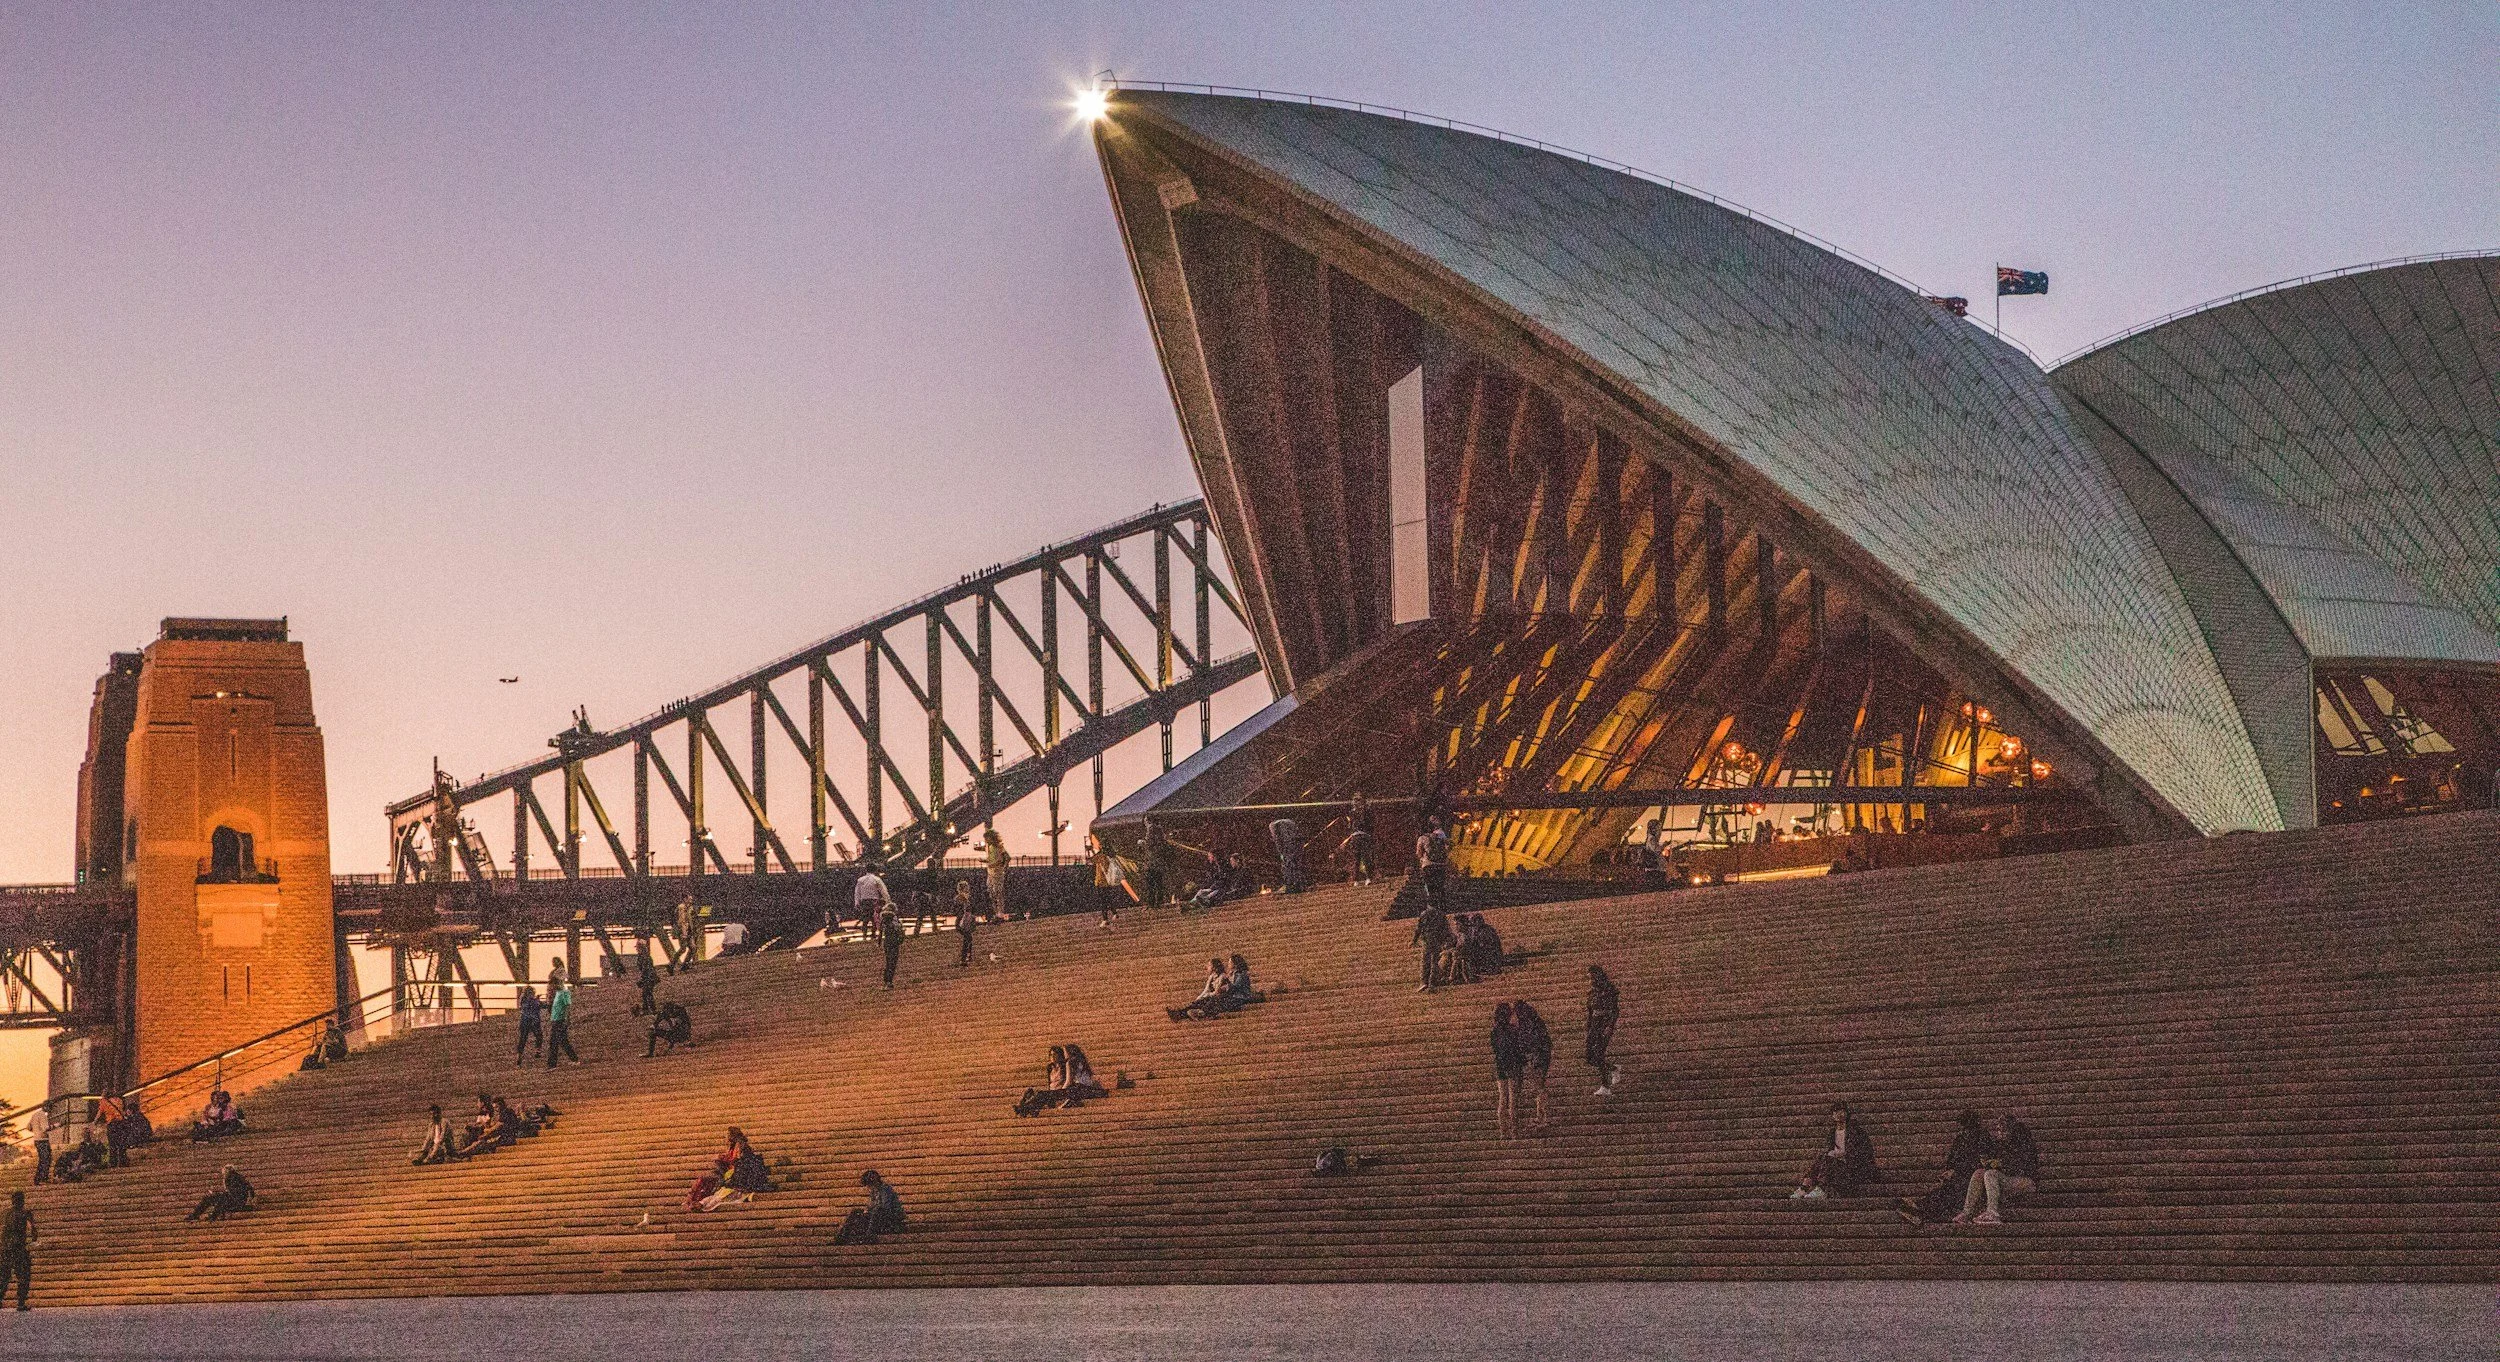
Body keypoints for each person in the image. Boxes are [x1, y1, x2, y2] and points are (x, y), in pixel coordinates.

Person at [1899, 1112, 1992, 1224]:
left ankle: (1919, 1210)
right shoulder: (1961, 1138)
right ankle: (1919, 1210)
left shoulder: (1981, 1137)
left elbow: (1979, 1161)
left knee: (1950, 1191)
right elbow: (1953, 1158)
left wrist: (1955, 1171)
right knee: (1947, 1190)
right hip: (1960, 1177)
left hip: (1972, 1178)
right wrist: (1949, 1171)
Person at [1957, 1114, 2041, 1224]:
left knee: (1991, 1174)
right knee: (1979, 1173)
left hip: (2025, 1181)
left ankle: (1992, 1213)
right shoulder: (2000, 1144)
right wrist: (1989, 1162)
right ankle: (1967, 1212)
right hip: (2004, 1179)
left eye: (2003, 1130)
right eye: (1998, 1130)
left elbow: (2024, 1166)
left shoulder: (2023, 1143)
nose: (1999, 1133)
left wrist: (2001, 1164)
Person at [1793, 1103, 1881, 1199]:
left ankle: (1821, 1189)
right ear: (1832, 1115)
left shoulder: (1857, 1132)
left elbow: (1865, 1153)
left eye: (1841, 1111)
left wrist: (1843, 1154)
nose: (1838, 1114)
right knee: (1823, 1158)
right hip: (1836, 1167)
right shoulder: (1832, 1133)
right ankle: (1804, 1188)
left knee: (1828, 1160)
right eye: (1835, 1112)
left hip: (1853, 1169)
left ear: (1846, 1114)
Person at [1513, 1000, 1553, 1135]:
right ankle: (1541, 1116)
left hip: (1536, 1058)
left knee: (1539, 1088)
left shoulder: (1525, 1025)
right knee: (1539, 1087)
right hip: (1542, 1056)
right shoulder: (1536, 1022)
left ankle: (1544, 1117)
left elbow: (1527, 1043)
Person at [1585, 965, 1622, 1096]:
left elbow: (1615, 1010)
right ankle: (1613, 1068)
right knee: (1589, 1057)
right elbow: (1590, 1012)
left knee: (1599, 1053)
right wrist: (1588, 1028)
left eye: (1592, 978)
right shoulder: (1592, 993)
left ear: (1599, 976)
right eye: (1589, 978)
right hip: (1594, 1025)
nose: (1591, 981)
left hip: (1604, 1023)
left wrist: (1609, 1026)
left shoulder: (1609, 990)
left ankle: (1605, 1086)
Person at [1490, 1003, 1525, 1140]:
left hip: (1500, 1066)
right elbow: (1518, 1049)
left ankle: (1503, 1131)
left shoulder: (1494, 1032)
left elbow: (1495, 1049)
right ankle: (1514, 1131)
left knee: (1502, 1099)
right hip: (1513, 1066)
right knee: (1513, 1100)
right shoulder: (1513, 1030)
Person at [1167, 958, 1230, 1022]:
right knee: (1196, 1003)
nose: (1207, 967)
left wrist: (1207, 995)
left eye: (1209, 965)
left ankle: (1181, 1014)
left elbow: (1217, 992)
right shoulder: (1211, 976)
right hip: (1210, 997)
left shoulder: (1222, 976)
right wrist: (1199, 997)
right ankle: (1178, 1014)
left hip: (1219, 999)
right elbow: (1206, 990)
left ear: (1214, 967)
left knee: (1201, 1002)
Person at [186, 1165, 256, 1222]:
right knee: (213, 1198)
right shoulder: (237, 1177)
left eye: (224, 1172)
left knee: (212, 1198)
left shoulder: (232, 1177)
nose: (223, 1174)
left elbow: (233, 1192)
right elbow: (248, 1189)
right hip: (237, 1201)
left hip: (236, 1202)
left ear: (227, 1171)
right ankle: (207, 1216)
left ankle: (198, 1215)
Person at [1413, 900, 1455, 992]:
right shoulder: (1441, 914)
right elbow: (1446, 929)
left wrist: (1414, 940)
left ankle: (1424, 982)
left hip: (1427, 940)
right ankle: (1432, 982)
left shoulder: (1424, 914)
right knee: (1435, 962)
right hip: (1437, 941)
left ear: (1428, 904)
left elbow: (1418, 928)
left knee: (1425, 961)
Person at [1, 1191, 32, 1311]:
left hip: (6, 1249)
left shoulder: (5, 1213)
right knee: (23, 1275)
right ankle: (21, 1302)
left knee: (4, 1276)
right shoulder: (25, 1213)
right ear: (22, 1201)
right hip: (19, 1248)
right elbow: (33, 1231)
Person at [1415, 817, 1451, 913]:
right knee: (1440, 886)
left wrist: (1422, 859)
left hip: (1428, 866)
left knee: (1431, 887)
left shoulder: (1422, 838)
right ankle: (1443, 907)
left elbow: (1419, 853)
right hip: (1441, 865)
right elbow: (1447, 848)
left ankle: (1433, 908)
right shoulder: (1440, 837)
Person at [546, 979, 581, 1067]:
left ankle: (552, 1064)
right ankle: (574, 1059)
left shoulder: (564, 993)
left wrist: (567, 1019)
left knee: (556, 1041)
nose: (550, 989)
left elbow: (567, 1006)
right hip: (556, 1020)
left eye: (551, 987)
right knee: (561, 1041)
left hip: (561, 1020)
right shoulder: (555, 996)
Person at [1269, 815, 1307, 894]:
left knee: (1289, 866)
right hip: (1294, 848)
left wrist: (1282, 852)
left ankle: (1291, 886)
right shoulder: (1290, 825)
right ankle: (1297, 885)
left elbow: (1279, 841)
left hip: (1289, 849)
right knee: (1294, 866)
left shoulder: (1277, 826)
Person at [1345, 794, 1376, 883]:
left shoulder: (1365, 811)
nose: (1356, 802)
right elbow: (1351, 825)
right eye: (1355, 800)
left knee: (1365, 857)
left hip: (1363, 835)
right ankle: (1357, 879)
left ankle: (1367, 877)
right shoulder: (1353, 812)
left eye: (1358, 800)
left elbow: (1367, 822)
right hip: (1356, 836)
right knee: (1357, 858)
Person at [853, 865, 890, 935]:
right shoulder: (877, 879)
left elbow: (857, 892)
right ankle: (873, 933)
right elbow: (883, 891)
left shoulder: (860, 880)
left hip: (864, 901)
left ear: (866, 870)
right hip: (874, 901)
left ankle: (864, 934)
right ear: (875, 870)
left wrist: (856, 902)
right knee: (874, 918)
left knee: (865, 919)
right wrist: (888, 901)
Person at [984, 826, 1012, 920]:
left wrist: (1003, 867)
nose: (986, 840)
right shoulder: (990, 847)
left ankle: (1000, 913)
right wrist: (984, 861)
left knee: (998, 893)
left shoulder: (999, 847)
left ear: (991, 838)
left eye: (987, 838)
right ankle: (996, 912)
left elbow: (1006, 858)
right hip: (990, 872)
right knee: (991, 892)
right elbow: (991, 859)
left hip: (997, 873)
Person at [515, 984, 544, 1065]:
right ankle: (538, 1051)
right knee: (539, 1036)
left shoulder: (523, 1001)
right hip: (534, 1021)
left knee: (523, 1039)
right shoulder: (533, 1001)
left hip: (524, 1021)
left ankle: (519, 1054)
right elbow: (540, 1005)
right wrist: (537, 999)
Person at [879, 905, 904, 989]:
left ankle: (887, 981)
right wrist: (900, 940)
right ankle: (889, 981)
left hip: (887, 942)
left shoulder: (883, 920)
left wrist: (879, 943)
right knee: (892, 963)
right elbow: (900, 931)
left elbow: (880, 932)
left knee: (888, 962)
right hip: (894, 942)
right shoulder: (895, 920)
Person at [953, 881, 978, 966]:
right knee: (967, 938)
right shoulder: (961, 898)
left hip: (964, 920)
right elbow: (963, 910)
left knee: (968, 938)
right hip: (963, 921)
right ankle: (965, 957)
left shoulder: (963, 898)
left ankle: (967, 956)